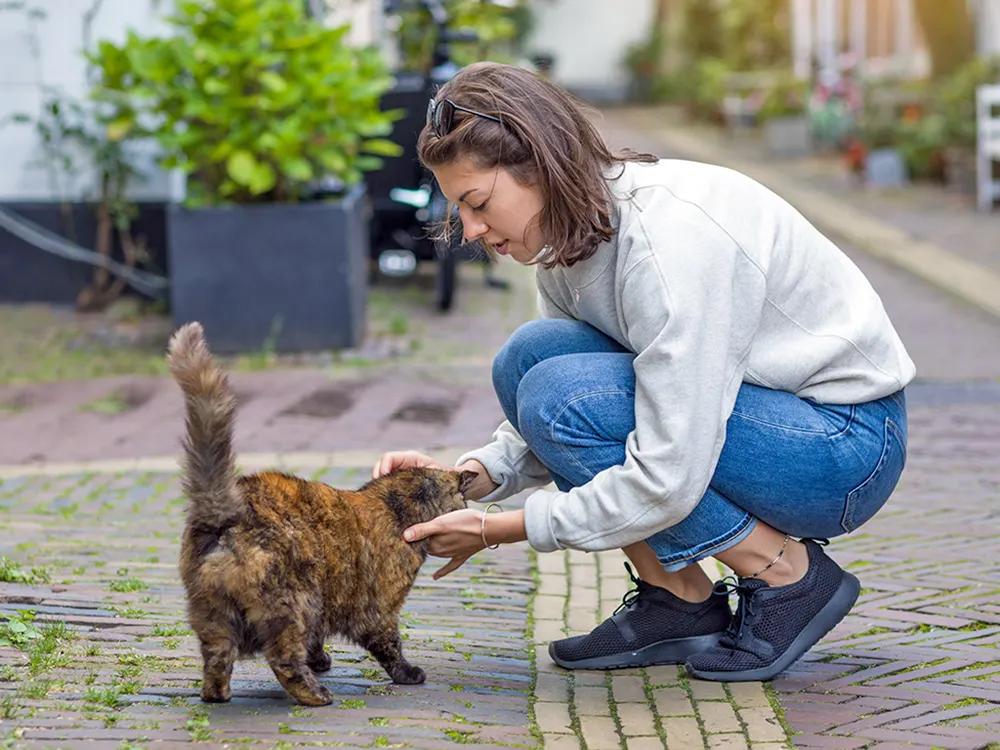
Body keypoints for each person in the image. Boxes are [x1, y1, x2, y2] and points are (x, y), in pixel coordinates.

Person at [372, 62, 913, 683]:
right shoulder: (568, 236)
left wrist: (500, 530)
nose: (469, 229)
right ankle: (679, 598)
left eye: (478, 202)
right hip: (763, 419)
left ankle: (787, 575)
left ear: (541, 168)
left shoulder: (669, 243)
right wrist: (467, 479)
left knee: (558, 394)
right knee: (532, 358)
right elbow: (564, 401)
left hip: (844, 447)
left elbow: (667, 470)